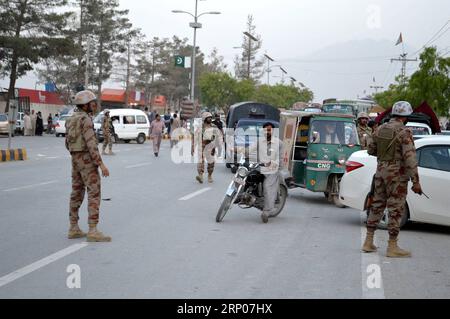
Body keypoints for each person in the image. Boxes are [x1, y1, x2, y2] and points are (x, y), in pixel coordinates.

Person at [362, 101, 423, 258]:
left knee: (377, 205)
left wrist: (385, 159)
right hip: (397, 175)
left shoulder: (380, 129)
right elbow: (410, 159)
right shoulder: (404, 132)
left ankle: (368, 241)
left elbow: (370, 150)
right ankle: (392, 247)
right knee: (396, 208)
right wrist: (415, 181)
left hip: (380, 172)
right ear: (405, 117)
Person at [65, 90, 111, 242]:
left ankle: (73, 227)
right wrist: (101, 164)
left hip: (75, 160)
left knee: (76, 192)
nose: (94, 105)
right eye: (92, 103)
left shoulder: (71, 119)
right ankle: (93, 229)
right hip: (87, 161)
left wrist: (76, 156)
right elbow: (92, 145)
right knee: (94, 192)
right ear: (85, 105)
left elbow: (67, 143)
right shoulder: (86, 120)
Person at [249, 122, 283, 224]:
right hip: (261, 167)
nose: (267, 132)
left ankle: (267, 211)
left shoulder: (279, 143)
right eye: (265, 130)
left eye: (269, 130)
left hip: (273, 168)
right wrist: (239, 151)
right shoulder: (260, 141)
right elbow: (250, 150)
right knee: (248, 176)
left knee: (268, 186)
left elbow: (281, 158)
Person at [192, 112, 221, 184]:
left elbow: (218, 136)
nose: (210, 119)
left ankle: (210, 175)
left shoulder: (214, 127)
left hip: (210, 146)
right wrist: (193, 146)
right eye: (208, 117)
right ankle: (200, 175)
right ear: (204, 118)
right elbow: (195, 137)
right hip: (202, 145)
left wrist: (219, 146)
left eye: (211, 117)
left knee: (211, 162)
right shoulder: (200, 127)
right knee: (200, 161)